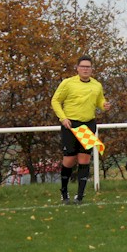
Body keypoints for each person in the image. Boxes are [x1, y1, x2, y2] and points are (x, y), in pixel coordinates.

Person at [51, 55, 110, 205]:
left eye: (88, 67)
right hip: (71, 125)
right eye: (83, 66)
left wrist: (104, 105)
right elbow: (55, 101)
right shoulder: (68, 83)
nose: (85, 69)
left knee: (85, 159)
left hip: (87, 125)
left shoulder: (97, 85)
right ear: (77, 68)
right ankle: (64, 193)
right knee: (69, 160)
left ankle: (80, 196)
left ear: (92, 69)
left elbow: (100, 101)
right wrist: (63, 118)